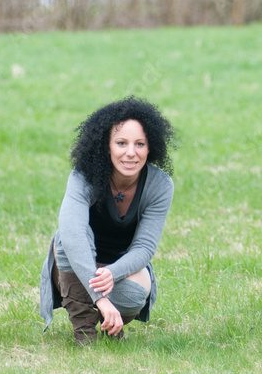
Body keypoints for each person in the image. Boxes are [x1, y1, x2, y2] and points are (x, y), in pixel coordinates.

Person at [40, 97, 175, 345]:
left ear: (150, 146)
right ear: (107, 145)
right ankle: (84, 331)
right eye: (121, 143)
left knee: (134, 296)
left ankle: (110, 325)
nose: (131, 152)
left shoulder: (160, 185)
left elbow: (144, 247)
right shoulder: (83, 176)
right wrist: (100, 297)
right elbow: (72, 235)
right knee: (64, 239)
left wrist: (112, 272)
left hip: (119, 268)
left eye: (140, 144)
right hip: (76, 263)